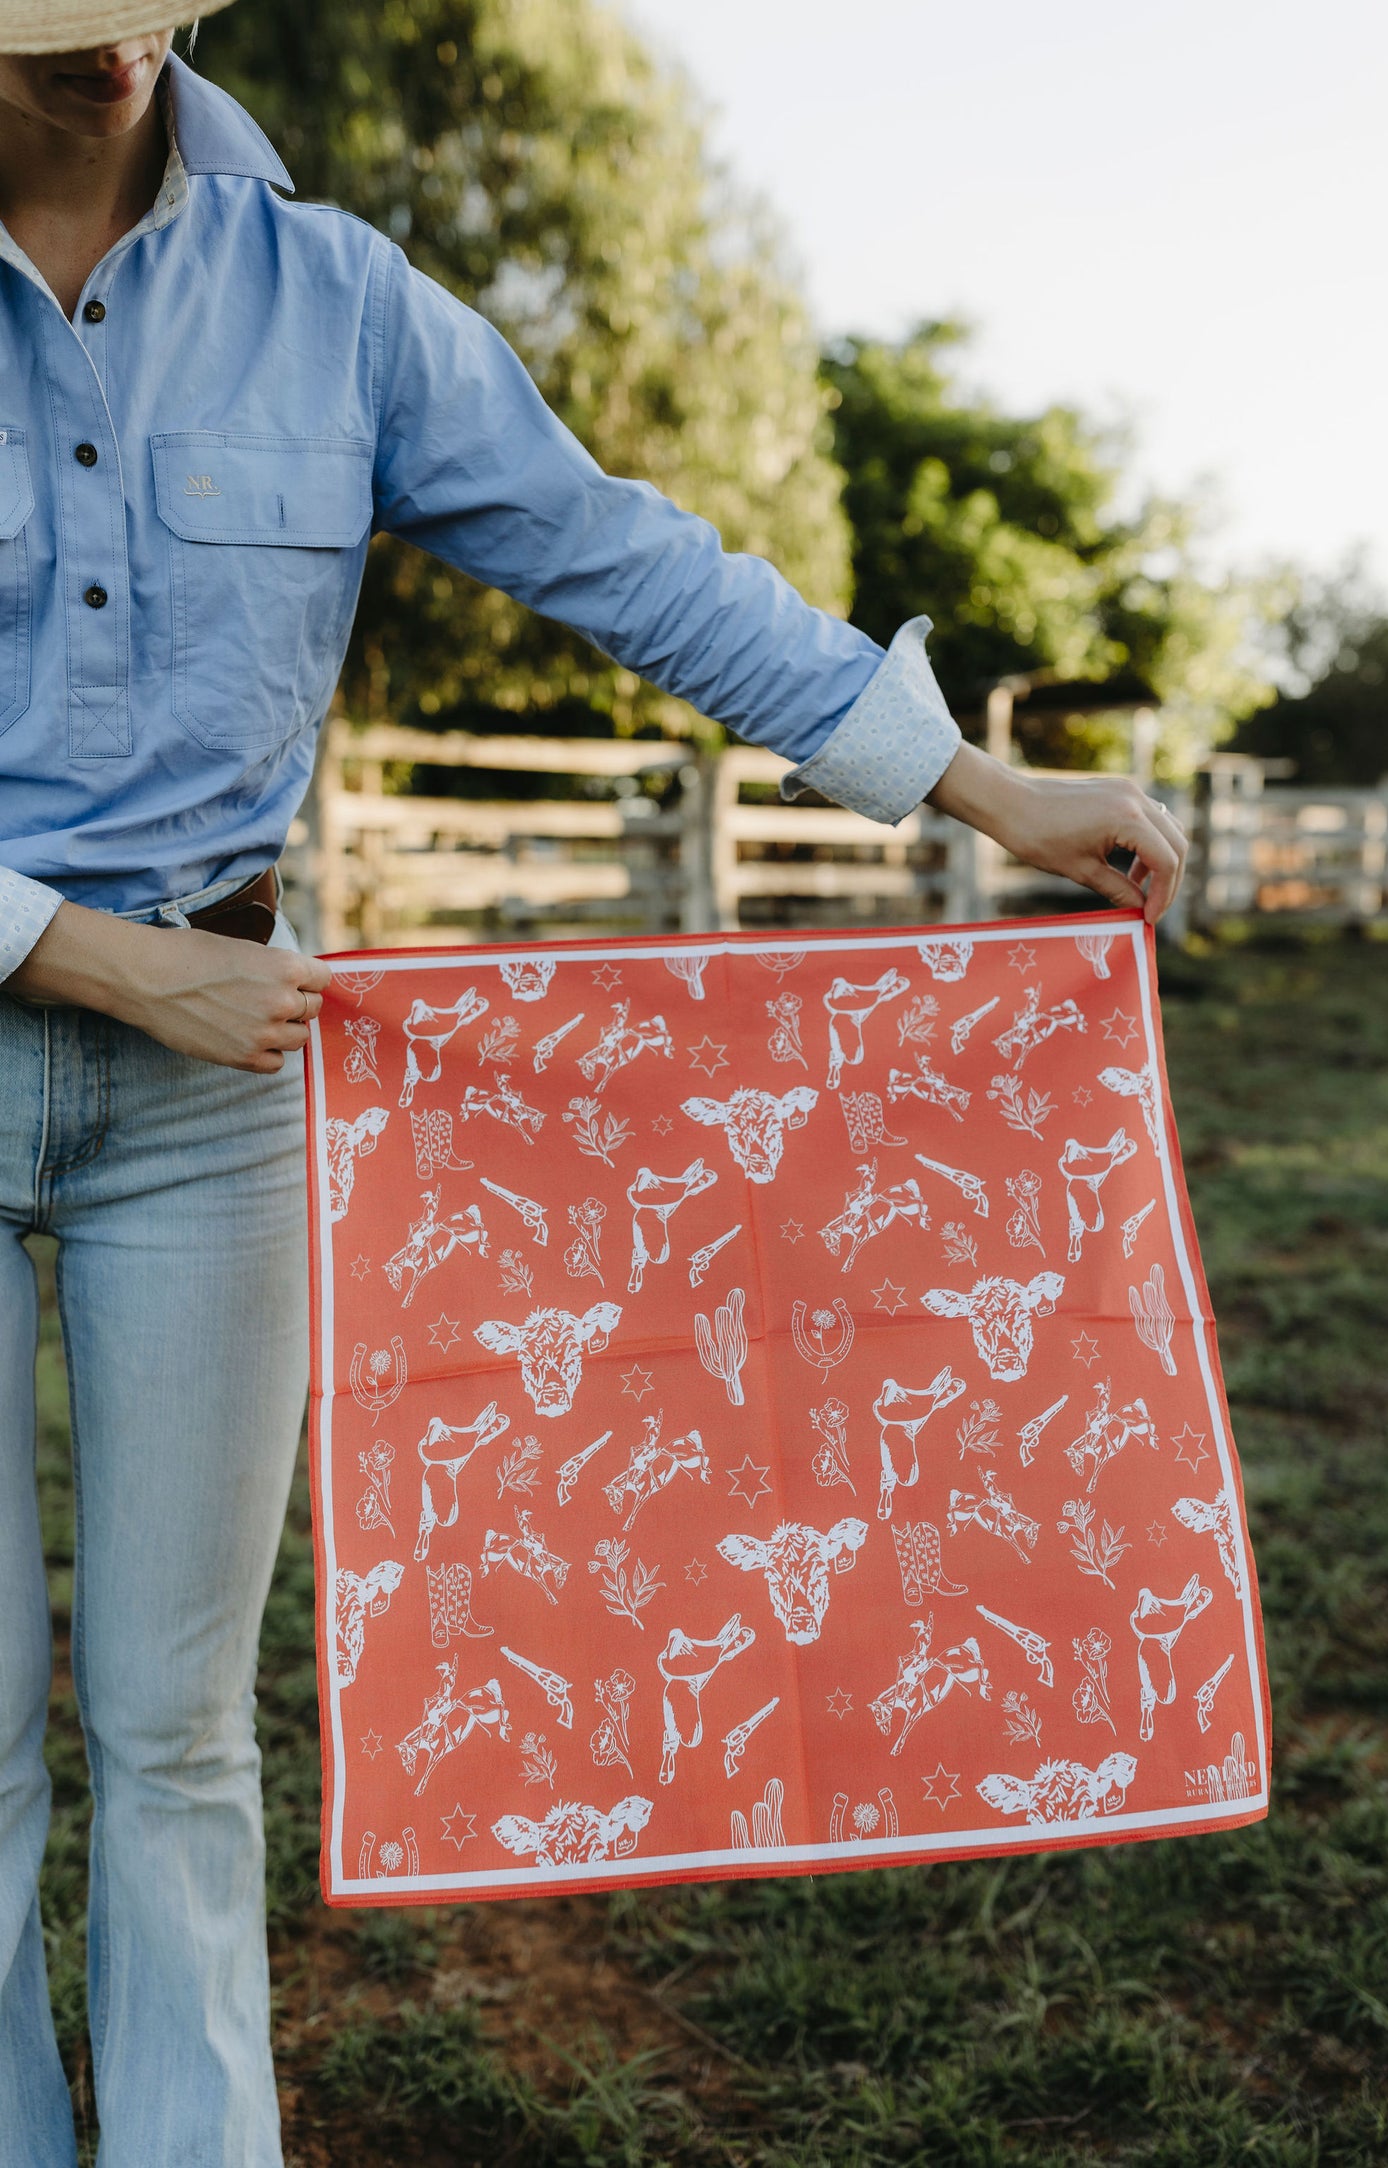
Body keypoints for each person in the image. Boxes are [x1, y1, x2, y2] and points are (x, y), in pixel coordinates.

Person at [0, 4, 1188, 2159]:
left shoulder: (336, 301)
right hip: (107, 1010)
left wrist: (978, 786)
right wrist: (92, 962)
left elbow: (632, 557)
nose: (104, 51)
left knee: (178, 1731)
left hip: (223, 1093)